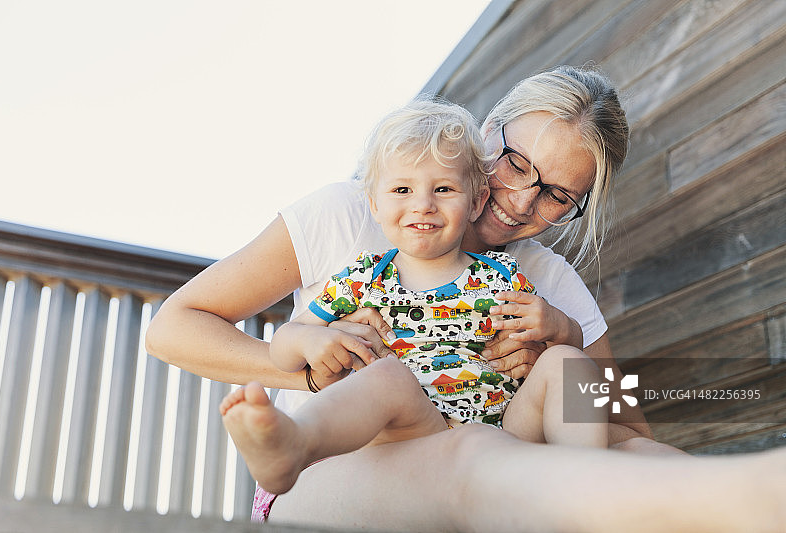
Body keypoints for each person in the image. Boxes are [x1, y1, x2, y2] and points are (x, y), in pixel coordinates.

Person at [145, 66, 786, 530]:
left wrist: (560, 346)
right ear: (485, 133)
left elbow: (628, 428)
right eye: (515, 164)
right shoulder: (361, 212)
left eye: (558, 195)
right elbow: (172, 328)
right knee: (466, 448)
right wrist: (306, 368)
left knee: (630, 446)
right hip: (338, 474)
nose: (521, 201)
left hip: (487, 456)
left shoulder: (547, 283)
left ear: (579, 205)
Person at [224, 98, 608, 496]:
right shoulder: (363, 278)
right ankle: (295, 444)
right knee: (386, 377)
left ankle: (584, 486)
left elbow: (567, 359)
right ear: (373, 203)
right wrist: (311, 341)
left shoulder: (503, 275)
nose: (422, 205)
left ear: (475, 201)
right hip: (410, 438)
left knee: (568, 363)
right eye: (402, 189)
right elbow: (286, 344)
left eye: (443, 189)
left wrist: (561, 331)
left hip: (499, 441)